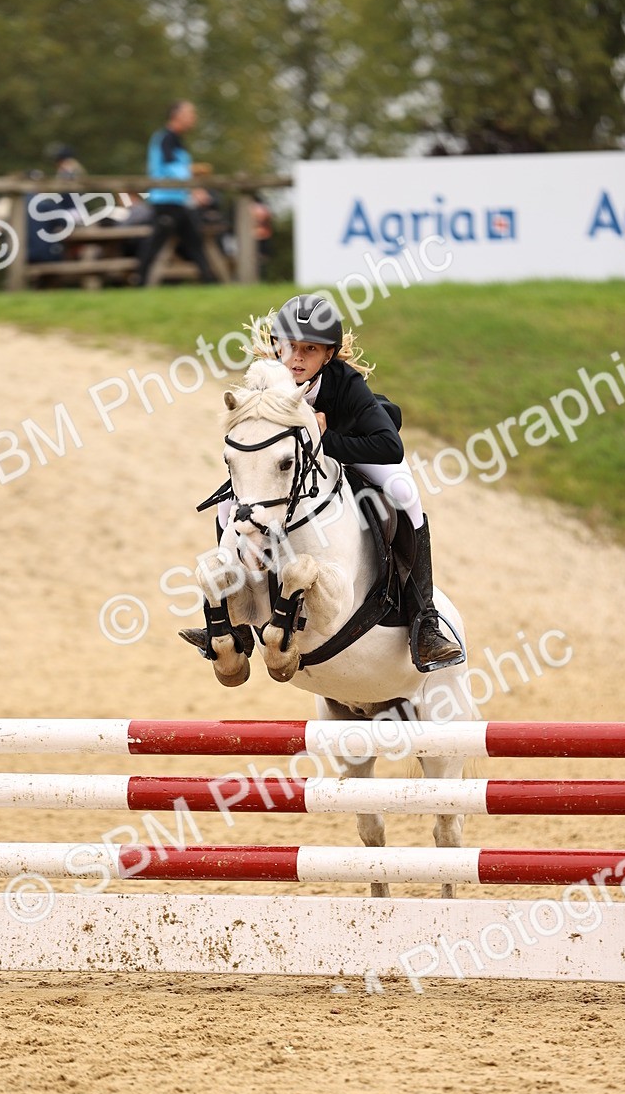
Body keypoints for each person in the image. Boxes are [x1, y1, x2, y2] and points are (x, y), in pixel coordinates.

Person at [193, 294, 465, 672]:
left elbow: (389, 446)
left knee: (405, 492)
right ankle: (235, 623)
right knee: (229, 502)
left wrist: (324, 440)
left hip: (355, 449)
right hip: (289, 467)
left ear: (329, 355)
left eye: (310, 349)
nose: (297, 359)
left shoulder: (346, 384)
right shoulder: (266, 380)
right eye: (289, 347)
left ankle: (425, 621)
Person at [138, 100, 216, 285]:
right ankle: (140, 280)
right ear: (177, 115)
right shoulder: (167, 138)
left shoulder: (176, 139)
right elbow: (173, 169)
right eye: (190, 114)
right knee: (157, 244)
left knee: (193, 241)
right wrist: (194, 188)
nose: (193, 118)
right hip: (166, 201)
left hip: (177, 200)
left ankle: (209, 280)